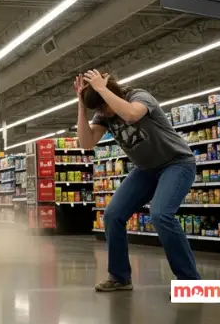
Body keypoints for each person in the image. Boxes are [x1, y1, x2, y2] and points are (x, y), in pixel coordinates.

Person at [74, 69, 200, 292]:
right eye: (99, 109)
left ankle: (190, 283)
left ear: (110, 93)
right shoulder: (104, 114)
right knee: (113, 215)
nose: (103, 112)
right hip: (146, 170)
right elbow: (86, 143)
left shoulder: (139, 97)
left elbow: (132, 115)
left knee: (161, 214)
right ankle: (120, 277)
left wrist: (102, 89)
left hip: (176, 163)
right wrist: (82, 106)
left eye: (103, 106)